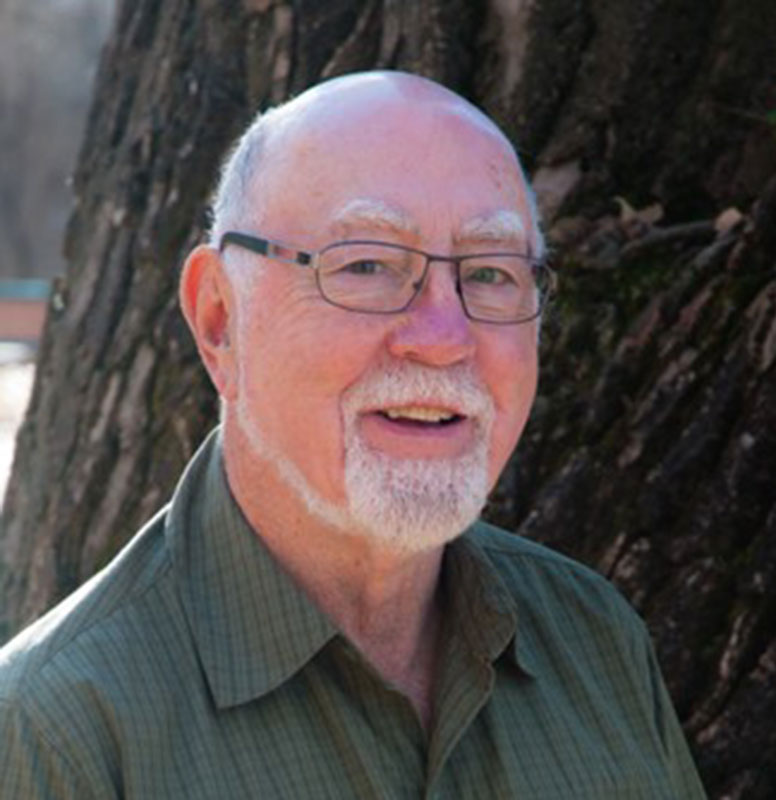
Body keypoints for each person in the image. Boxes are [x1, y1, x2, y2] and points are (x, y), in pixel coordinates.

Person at [0, 71, 706, 798]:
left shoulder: (597, 644)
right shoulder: (56, 733)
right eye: (367, 265)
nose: (442, 338)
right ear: (219, 320)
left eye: (491, 274)